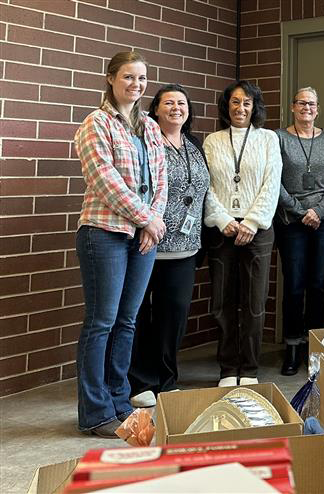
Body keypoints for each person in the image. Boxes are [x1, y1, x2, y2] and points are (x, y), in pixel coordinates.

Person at [73, 51, 166, 437]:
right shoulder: (96, 123)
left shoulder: (150, 126)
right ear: (110, 78)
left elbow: (161, 177)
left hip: (144, 236)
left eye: (142, 79)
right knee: (102, 322)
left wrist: (153, 222)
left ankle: (119, 400)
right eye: (129, 77)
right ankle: (95, 412)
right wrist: (147, 218)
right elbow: (105, 181)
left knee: (127, 322)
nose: (136, 85)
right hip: (104, 233)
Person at [128, 84, 210, 408]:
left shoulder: (194, 145)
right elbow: (138, 186)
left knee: (173, 314)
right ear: (156, 110)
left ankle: (166, 378)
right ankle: (139, 381)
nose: (176, 107)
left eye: (182, 103)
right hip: (149, 242)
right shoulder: (146, 144)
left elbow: (203, 190)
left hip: (186, 247)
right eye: (169, 103)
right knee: (140, 314)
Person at [203, 80, 282, 387]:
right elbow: (205, 185)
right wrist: (223, 219)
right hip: (223, 229)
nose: (240, 108)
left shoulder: (268, 139)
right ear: (227, 107)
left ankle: (248, 368)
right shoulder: (212, 141)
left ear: (255, 107)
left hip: (257, 230)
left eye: (247, 103)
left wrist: (252, 221)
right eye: (235, 102)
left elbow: (271, 182)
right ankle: (227, 367)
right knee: (223, 301)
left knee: (253, 302)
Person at [275, 87, 324, 375]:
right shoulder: (279, 138)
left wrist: (319, 211)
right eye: (302, 103)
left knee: (317, 285)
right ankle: (292, 346)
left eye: (312, 104)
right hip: (291, 222)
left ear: (318, 109)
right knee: (293, 284)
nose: (307, 108)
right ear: (293, 107)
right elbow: (273, 180)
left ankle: (313, 345)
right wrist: (302, 212)